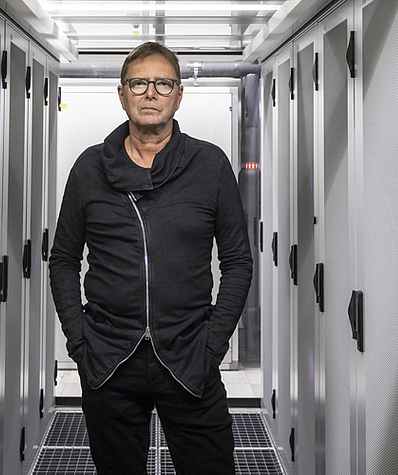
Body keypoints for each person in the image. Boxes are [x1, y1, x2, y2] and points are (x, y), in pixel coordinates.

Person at [48, 42, 253, 475]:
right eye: (139, 83)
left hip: (189, 357)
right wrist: (80, 344)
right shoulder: (89, 170)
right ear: (122, 95)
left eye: (163, 83)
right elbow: (63, 259)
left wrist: (212, 344)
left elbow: (237, 261)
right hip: (109, 362)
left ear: (179, 95)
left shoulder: (210, 165)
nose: (150, 93)